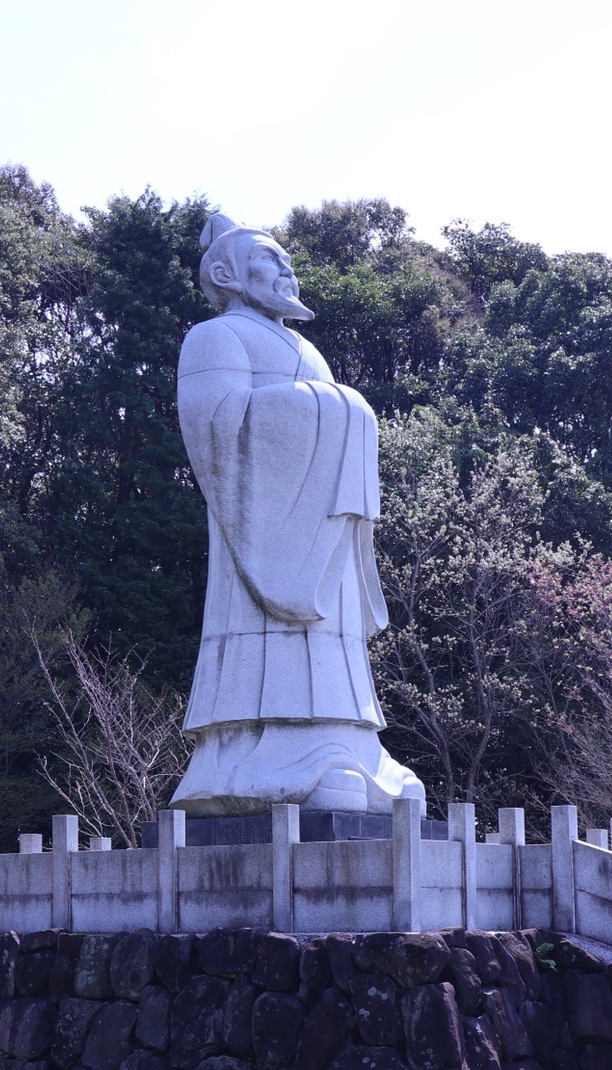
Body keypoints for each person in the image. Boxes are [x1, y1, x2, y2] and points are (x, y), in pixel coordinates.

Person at [171, 215, 424, 816]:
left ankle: (352, 747)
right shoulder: (215, 337)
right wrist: (332, 410)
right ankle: (259, 758)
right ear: (225, 272)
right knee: (267, 645)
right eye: (269, 256)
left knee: (330, 639)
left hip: (322, 528)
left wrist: (334, 411)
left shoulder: (305, 349)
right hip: (267, 532)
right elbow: (217, 426)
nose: (287, 267)